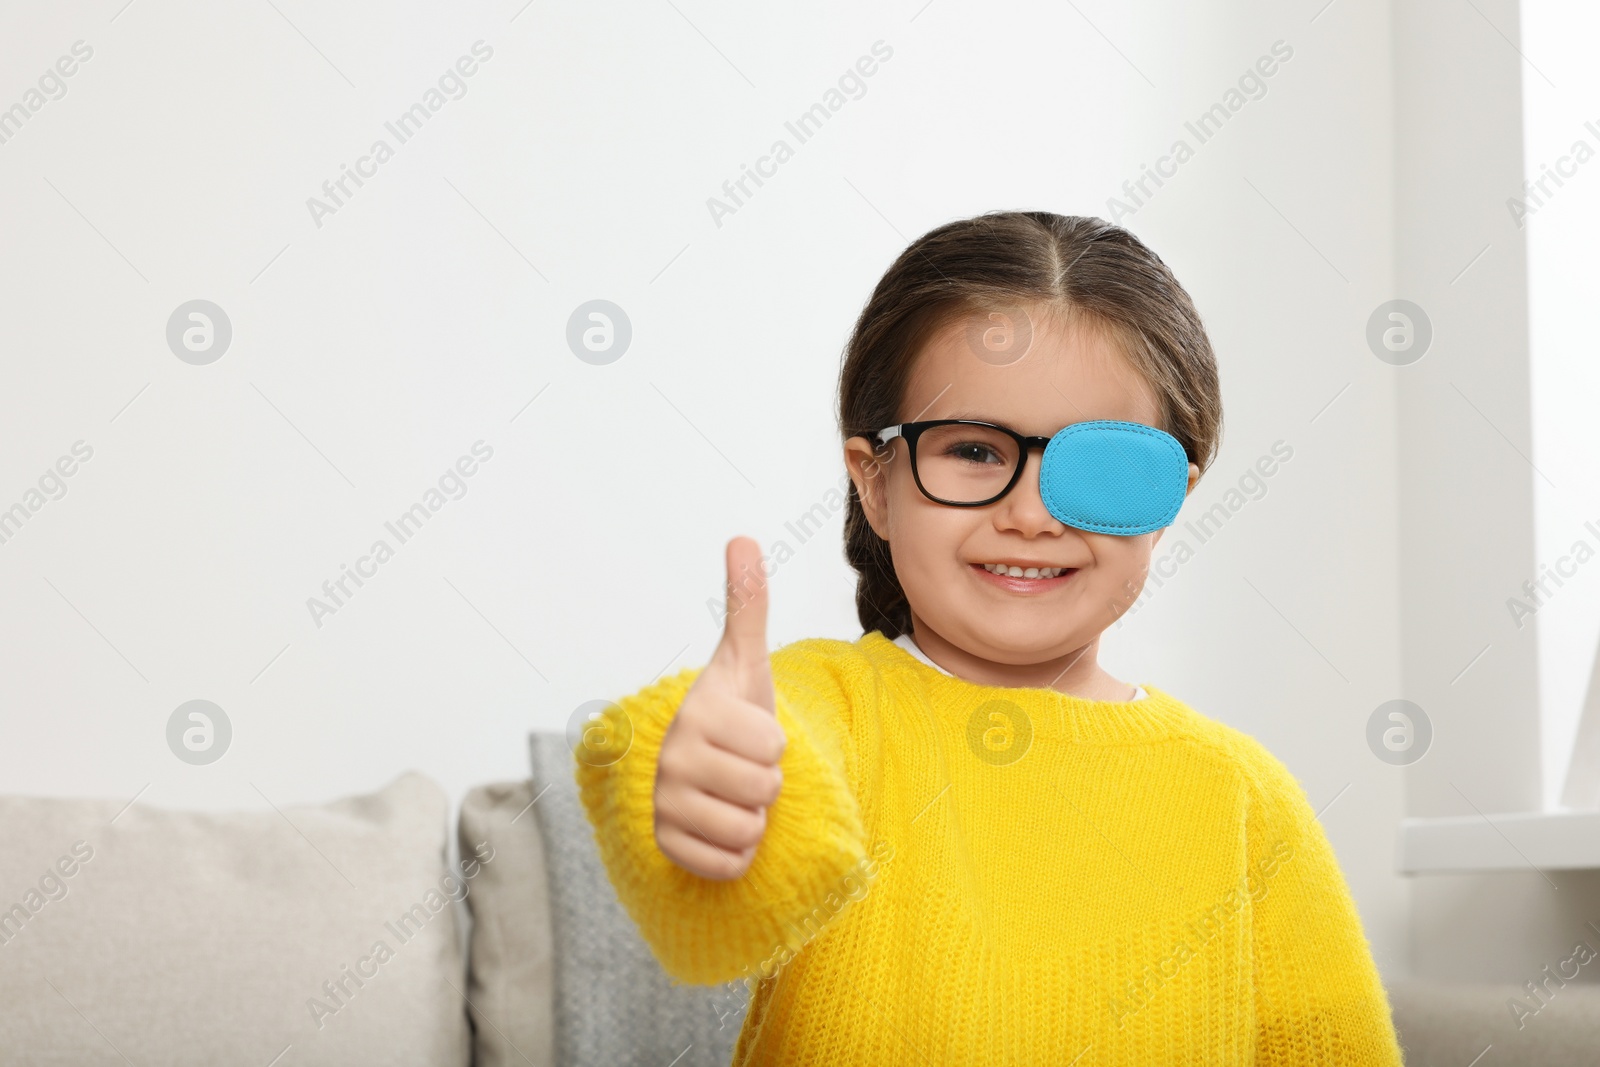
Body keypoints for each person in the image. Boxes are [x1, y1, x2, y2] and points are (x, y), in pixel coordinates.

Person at [574, 211, 1404, 1064]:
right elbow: (725, 787)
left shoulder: (1245, 799)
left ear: (1169, 500)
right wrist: (702, 777)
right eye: (973, 449)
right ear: (877, 484)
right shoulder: (837, 711)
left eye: (1100, 464)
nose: (1030, 514)